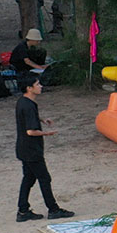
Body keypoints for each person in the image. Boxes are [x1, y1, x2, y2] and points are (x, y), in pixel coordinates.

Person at [14, 76, 73, 221]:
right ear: (29, 88)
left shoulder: (24, 102)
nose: (40, 86)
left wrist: (41, 120)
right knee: (44, 178)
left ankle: (23, 211)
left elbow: (28, 117)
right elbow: (30, 131)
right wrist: (47, 133)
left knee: (28, 178)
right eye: (37, 84)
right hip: (31, 149)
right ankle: (53, 209)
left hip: (23, 148)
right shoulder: (28, 105)